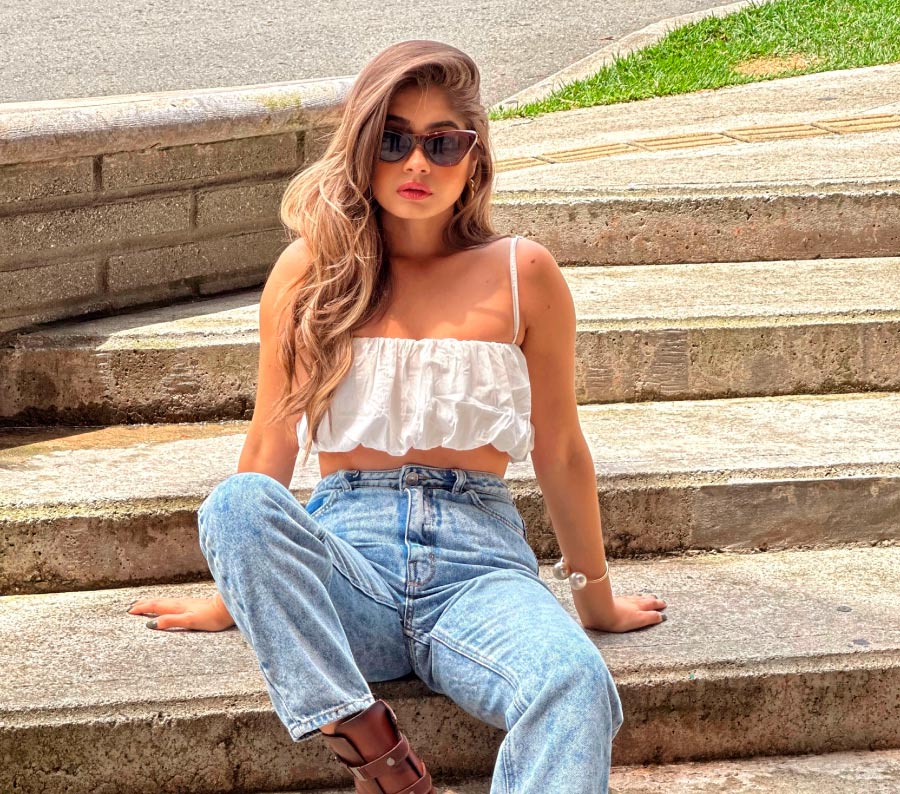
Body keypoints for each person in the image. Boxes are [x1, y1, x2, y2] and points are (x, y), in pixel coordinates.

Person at [126, 39, 667, 794]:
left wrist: (594, 598)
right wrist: (240, 593)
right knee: (237, 502)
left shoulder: (525, 273)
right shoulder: (310, 271)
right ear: (362, 149)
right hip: (350, 568)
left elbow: (561, 448)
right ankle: (371, 748)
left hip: (481, 574)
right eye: (392, 140)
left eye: (442, 143)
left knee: (575, 683)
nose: (417, 163)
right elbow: (273, 437)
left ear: (474, 158)